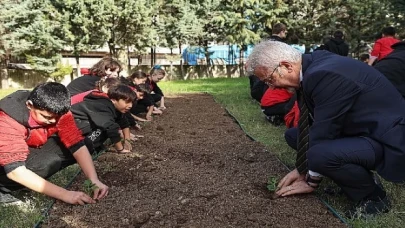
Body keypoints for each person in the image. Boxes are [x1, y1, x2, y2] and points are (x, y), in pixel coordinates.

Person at [246, 40, 405, 218]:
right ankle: (353, 175)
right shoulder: (312, 65)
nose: (271, 87)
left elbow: (324, 133)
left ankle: (373, 198)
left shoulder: (323, 74)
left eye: (269, 79)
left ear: (286, 66)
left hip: (389, 139)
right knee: (294, 136)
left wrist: (309, 178)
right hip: (364, 129)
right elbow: (318, 125)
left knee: (319, 154)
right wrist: (303, 167)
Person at [0, 82, 108, 204]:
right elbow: (15, 171)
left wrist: (94, 179)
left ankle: (27, 183)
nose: (52, 121)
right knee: (44, 164)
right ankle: (3, 188)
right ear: (30, 105)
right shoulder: (7, 120)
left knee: (81, 145)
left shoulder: (58, 111)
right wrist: (66, 195)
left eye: (56, 117)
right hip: (4, 159)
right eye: (46, 117)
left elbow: (76, 143)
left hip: (24, 146)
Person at [71, 78, 136, 154]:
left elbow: (124, 123)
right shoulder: (102, 105)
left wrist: (127, 141)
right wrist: (120, 149)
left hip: (83, 127)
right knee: (105, 128)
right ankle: (85, 150)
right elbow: (111, 127)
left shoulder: (116, 108)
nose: (130, 105)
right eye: (127, 102)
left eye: (132, 102)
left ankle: (95, 147)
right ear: (114, 100)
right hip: (74, 128)